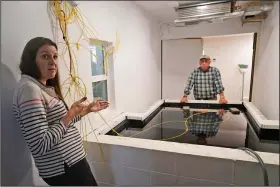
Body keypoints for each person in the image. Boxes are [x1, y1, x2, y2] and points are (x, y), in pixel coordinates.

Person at [12, 37, 109, 186]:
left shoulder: (41, 86)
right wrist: (70, 114)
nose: (53, 62)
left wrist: (86, 110)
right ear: (31, 60)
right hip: (64, 167)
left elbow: (61, 124)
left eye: (55, 56)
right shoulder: (29, 90)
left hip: (69, 163)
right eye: (45, 56)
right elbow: (40, 144)